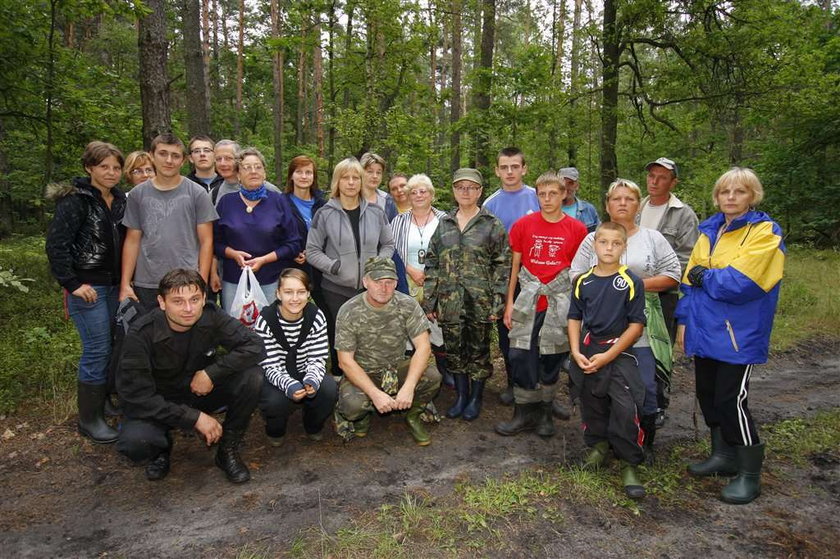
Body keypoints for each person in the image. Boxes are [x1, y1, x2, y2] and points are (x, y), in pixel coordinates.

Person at [677, 167, 784, 505]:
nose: (731, 197)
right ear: (717, 196)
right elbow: (686, 280)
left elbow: (741, 284)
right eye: (725, 192)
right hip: (704, 329)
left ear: (752, 196)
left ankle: (749, 474)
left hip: (739, 334)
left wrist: (704, 275)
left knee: (731, 400)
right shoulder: (708, 230)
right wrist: (683, 321)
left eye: (739, 192)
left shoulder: (764, 233)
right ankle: (722, 456)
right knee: (707, 394)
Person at [116, 269, 265, 483]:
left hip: (199, 392)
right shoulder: (141, 334)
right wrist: (193, 418)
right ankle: (161, 449)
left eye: (195, 299)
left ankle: (227, 450)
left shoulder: (212, 315)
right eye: (178, 301)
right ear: (162, 302)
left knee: (253, 376)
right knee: (135, 442)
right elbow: (136, 397)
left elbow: (255, 346)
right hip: (159, 402)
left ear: (204, 298)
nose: (188, 309)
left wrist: (212, 373)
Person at [570, 178, 680, 464]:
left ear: (638, 204)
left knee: (643, 384)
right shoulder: (592, 239)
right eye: (616, 199)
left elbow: (673, 274)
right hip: (599, 326)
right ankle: (602, 441)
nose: (622, 203)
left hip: (641, 324)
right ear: (607, 205)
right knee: (598, 383)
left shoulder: (652, 238)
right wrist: (608, 290)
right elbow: (576, 276)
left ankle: (642, 442)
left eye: (629, 199)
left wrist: (631, 285)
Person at [495, 172, 587, 438]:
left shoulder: (576, 229)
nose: (547, 199)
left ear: (563, 195)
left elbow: (578, 272)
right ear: (537, 196)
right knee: (520, 355)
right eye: (542, 194)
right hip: (528, 301)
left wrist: (577, 311)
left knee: (552, 356)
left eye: (553, 194)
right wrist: (509, 302)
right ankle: (523, 412)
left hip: (558, 302)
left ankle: (546, 412)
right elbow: (515, 266)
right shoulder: (524, 225)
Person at [46, 141, 127, 444]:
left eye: (116, 167)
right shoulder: (75, 201)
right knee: (96, 348)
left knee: (113, 342)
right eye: (103, 166)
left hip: (114, 285)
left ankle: (103, 401)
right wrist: (73, 284)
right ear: (89, 168)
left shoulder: (120, 200)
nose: (110, 172)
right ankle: (89, 420)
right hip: (87, 289)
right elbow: (57, 245)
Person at [567, 222, 647, 499]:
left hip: (618, 353)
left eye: (616, 243)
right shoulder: (583, 281)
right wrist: (576, 351)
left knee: (625, 409)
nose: (609, 248)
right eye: (603, 242)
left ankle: (628, 462)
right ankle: (599, 446)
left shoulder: (631, 282)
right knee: (591, 402)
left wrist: (608, 356)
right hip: (588, 352)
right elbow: (574, 318)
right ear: (594, 245)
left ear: (624, 247)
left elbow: (636, 326)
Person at [423, 168, 510, 421]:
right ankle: (461, 395)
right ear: (453, 191)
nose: (466, 192)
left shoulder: (491, 224)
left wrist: (498, 302)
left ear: (480, 191)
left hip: (479, 301)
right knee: (454, 350)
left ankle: (475, 397)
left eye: (471, 187)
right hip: (450, 301)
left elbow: (502, 264)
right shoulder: (444, 224)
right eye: (460, 187)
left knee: (478, 351)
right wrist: (431, 297)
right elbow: (432, 262)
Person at [334, 257, 442, 444]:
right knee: (352, 406)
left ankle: (413, 415)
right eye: (377, 281)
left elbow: (424, 347)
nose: (384, 288)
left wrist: (408, 387)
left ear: (396, 282)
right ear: (365, 282)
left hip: (395, 368)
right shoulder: (349, 311)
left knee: (432, 376)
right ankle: (362, 416)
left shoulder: (407, 305)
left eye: (389, 282)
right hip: (363, 371)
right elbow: (345, 361)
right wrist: (375, 394)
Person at [306, 157, 395, 377]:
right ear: (338, 181)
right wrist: (333, 266)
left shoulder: (376, 213)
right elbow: (312, 250)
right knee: (342, 336)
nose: (351, 182)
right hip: (336, 288)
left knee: (370, 334)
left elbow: (388, 244)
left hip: (370, 288)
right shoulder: (324, 214)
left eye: (356, 177)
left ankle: (369, 378)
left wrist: (377, 267)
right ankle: (339, 378)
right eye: (346, 177)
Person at [119, 132, 218, 311]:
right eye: (163, 154)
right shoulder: (137, 195)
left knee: (187, 336)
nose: (169, 160)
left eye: (175, 155)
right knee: (151, 336)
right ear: (151, 155)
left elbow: (207, 241)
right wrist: (125, 283)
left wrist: (201, 283)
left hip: (187, 281)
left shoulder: (197, 193)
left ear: (184, 160)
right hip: (148, 281)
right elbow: (132, 240)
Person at [639, 157, 700, 425]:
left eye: (662, 177)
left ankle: (659, 403)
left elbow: (688, 258)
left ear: (673, 182)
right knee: (635, 345)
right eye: (652, 175)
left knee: (659, 347)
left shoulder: (683, 214)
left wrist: (657, 276)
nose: (655, 181)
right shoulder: (635, 205)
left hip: (663, 294)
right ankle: (635, 398)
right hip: (631, 292)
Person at [483, 147, 540, 406]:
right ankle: (513, 381)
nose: (509, 172)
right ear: (497, 171)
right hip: (505, 279)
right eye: (504, 167)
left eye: (514, 166)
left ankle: (539, 385)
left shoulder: (538, 198)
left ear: (524, 168)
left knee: (540, 332)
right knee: (508, 332)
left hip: (538, 277)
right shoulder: (490, 204)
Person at [254, 269, 336, 446]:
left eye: (301, 292)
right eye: (288, 292)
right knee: (275, 401)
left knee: (329, 389)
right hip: (275, 374)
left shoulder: (316, 316)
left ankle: (312, 424)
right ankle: (275, 428)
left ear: (308, 293)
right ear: (278, 294)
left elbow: (317, 356)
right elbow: (269, 364)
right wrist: (289, 384)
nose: (294, 298)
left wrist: (312, 380)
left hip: (305, 370)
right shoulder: (265, 320)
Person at [214, 147, 302, 313]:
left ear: (264, 173)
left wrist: (264, 259)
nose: (253, 171)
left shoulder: (279, 201)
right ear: (238, 175)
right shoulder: (226, 202)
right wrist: (233, 254)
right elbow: (216, 242)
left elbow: (293, 243)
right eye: (247, 167)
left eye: (258, 167)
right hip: (234, 280)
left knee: (270, 330)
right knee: (235, 332)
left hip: (271, 280)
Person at [390, 174, 450, 385]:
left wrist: (434, 275)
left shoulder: (445, 220)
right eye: (413, 192)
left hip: (438, 281)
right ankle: (410, 375)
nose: (418, 195)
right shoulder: (399, 221)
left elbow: (452, 252)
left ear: (431, 194)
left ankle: (445, 371)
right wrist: (411, 270)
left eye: (423, 191)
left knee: (438, 326)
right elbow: (392, 250)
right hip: (408, 281)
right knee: (408, 326)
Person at [283, 154, 327, 307]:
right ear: (291, 176)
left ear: (314, 177)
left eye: (308, 172)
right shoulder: (281, 203)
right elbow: (276, 234)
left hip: (322, 269)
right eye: (299, 172)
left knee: (327, 312)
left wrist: (314, 251)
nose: (304, 176)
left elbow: (332, 235)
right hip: (292, 266)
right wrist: (292, 252)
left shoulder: (324, 204)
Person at [558, 167, 601, 232]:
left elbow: (599, 235)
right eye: (562, 183)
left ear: (577, 185)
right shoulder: (548, 209)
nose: (566, 187)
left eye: (570, 183)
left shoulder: (588, 210)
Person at [360, 152, 398, 221]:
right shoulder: (350, 197)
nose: (375, 176)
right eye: (370, 171)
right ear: (360, 172)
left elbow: (395, 229)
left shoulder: (388, 200)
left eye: (378, 172)